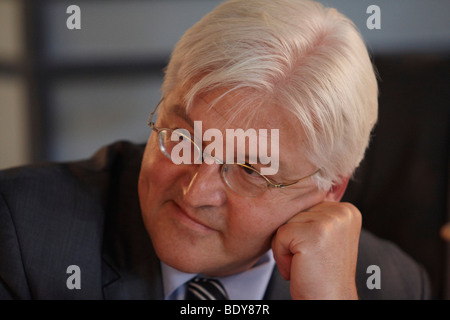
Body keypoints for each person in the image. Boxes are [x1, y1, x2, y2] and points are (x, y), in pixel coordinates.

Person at [0, 0, 430, 300]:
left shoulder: (392, 285)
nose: (194, 192)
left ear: (328, 191)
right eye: (183, 138)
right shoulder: (21, 231)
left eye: (247, 168)